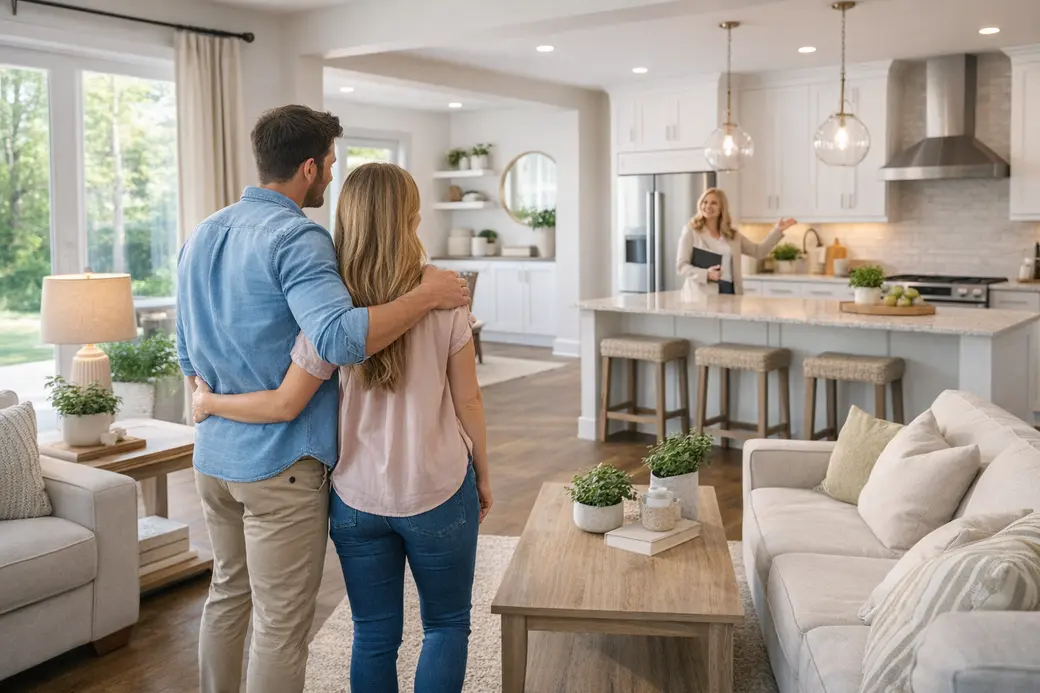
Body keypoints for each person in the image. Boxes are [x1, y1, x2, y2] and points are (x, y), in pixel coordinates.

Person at [176, 106, 470, 693]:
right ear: (309, 167)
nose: (333, 176)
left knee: (228, 595)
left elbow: (186, 353)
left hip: (213, 460)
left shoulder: (201, 233)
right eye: (331, 163)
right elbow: (337, 338)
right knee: (280, 626)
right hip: (280, 464)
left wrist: (210, 405)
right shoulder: (297, 236)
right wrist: (425, 295)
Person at [676, 187, 796, 294]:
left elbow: (759, 251)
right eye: (705, 202)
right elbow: (681, 266)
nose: (707, 206)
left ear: (722, 208)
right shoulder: (691, 231)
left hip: (730, 291)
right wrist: (706, 274)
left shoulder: (732, 235)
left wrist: (777, 230)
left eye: (714, 203)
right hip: (701, 295)